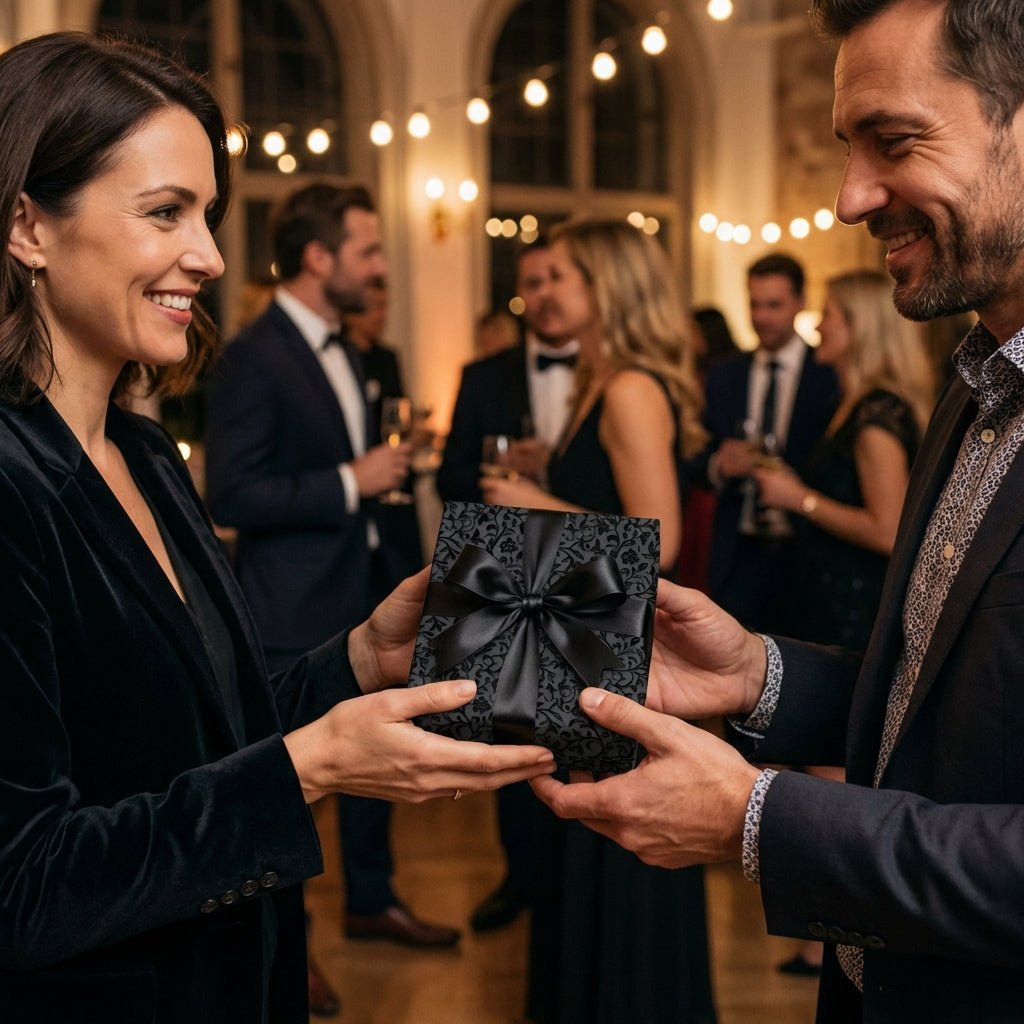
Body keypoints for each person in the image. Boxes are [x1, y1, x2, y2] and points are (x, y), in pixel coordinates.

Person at [0, 30, 555, 1024]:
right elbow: (23, 886)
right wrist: (314, 766)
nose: (209, 257)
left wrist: (355, 659)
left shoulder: (143, 454)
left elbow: (202, 741)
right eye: (165, 212)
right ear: (27, 225)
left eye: (206, 215)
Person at [531, 2, 1024, 1022]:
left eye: (892, 142)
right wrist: (757, 674)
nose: (848, 199)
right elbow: (941, 710)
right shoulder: (972, 380)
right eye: (848, 150)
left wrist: (761, 820)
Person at [205, 182, 460, 1020]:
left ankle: (372, 899)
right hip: (286, 611)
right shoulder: (253, 352)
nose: (381, 267)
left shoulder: (346, 348)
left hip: (358, 598)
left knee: (374, 770)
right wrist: (353, 480)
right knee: (290, 789)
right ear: (320, 259)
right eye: (369, 252)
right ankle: (291, 944)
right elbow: (234, 494)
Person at [482, 218, 715, 1024]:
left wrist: (537, 504)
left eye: (565, 275)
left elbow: (662, 540)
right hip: (595, 660)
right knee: (587, 868)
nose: (543, 291)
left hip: (616, 670)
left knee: (617, 872)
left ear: (605, 286)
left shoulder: (628, 387)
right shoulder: (607, 381)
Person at [753, 269, 935, 976]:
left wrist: (798, 500)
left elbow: (889, 530)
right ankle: (827, 931)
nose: (818, 326)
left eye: (829, 315)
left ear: (860, 325)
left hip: (853, 604)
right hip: (829, 594)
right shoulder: (855, 404)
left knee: (833, 774)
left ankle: (835, 933)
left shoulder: (874, 415)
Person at [436, 236, 579, 933]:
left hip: (592, 586)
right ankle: (517, 877)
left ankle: (566, 884)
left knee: (585, 743)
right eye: (533, 280)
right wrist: (504, 479)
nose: (545, 292)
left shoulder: (612, 379)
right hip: (507, 581)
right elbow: (448, 478)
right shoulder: (483, 376)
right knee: (508, 740)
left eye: (557, 277)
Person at [690, 254, 839, 634]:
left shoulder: (830, 373)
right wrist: (718, 465)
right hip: (738, 550)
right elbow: (694, 454)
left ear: (800, 302)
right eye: (754, 304)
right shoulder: (725, 373)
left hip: (807, 553)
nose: (761, 317)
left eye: (774, 305)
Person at [343, 276, 425, 580]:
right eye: (372, 307)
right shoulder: (341, 358)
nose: (381, 315)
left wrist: (410, 435)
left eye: (384, 307)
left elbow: (400, 412)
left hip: (395, 480)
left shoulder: (388, 358)